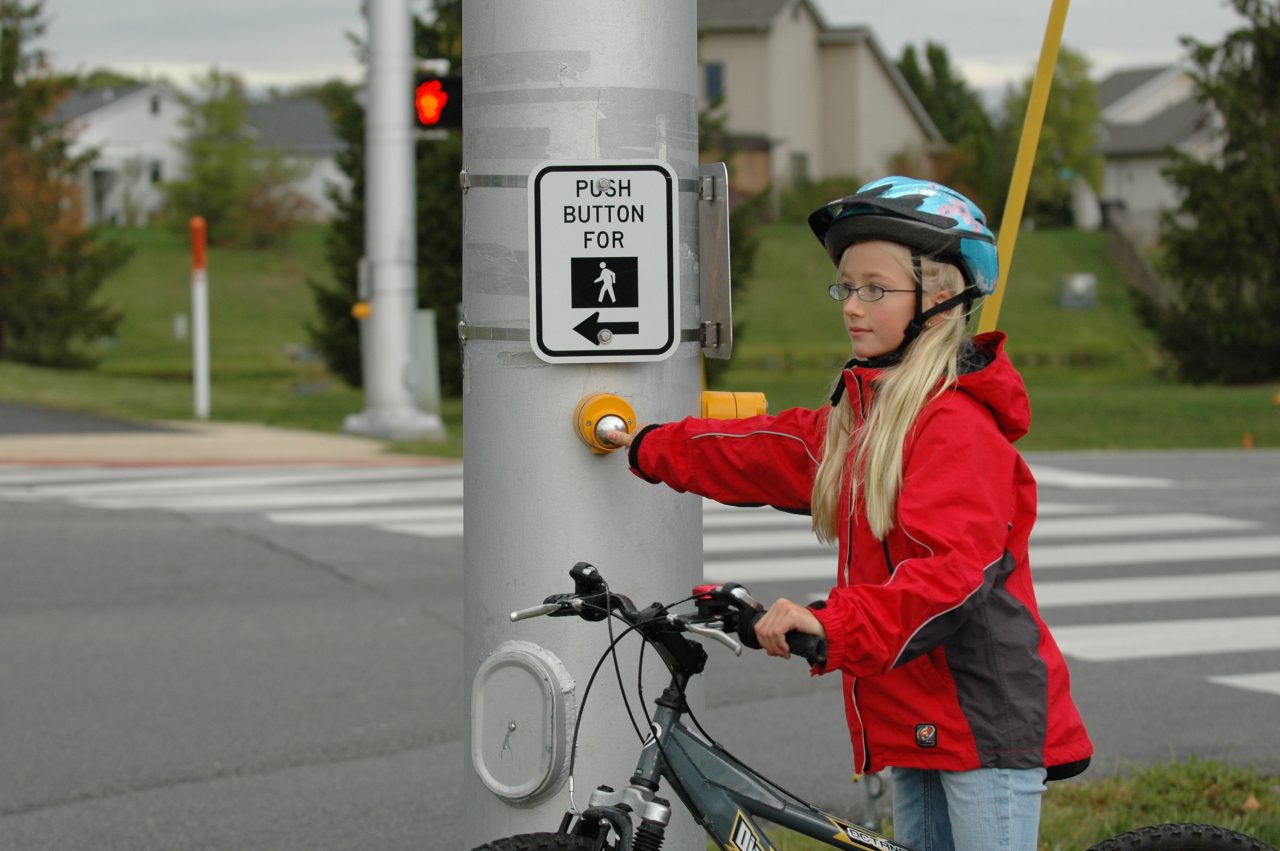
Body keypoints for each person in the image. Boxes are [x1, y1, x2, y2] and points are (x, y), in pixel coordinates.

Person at [606, 176, 1093, 851]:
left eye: (875, 288)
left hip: (981, 720)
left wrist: (831, 622)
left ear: (941, 297)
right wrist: (644, 443)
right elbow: (765, 452)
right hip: (916, 715)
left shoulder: (953, 427)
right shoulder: (865, 424)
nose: (852, 306)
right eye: (846, 287)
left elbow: (947, 578)